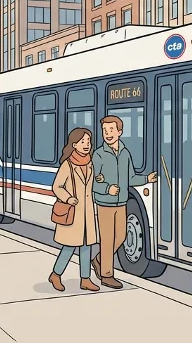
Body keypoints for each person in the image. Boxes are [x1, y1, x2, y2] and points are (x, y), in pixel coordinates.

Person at [91, 115, 157, 289]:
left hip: (121, 203)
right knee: (107, 239)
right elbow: (92, 182)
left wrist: (146, 179)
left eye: (111, 130)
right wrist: (107, 188)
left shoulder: (125, 153)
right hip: (105, 203)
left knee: (121, 236)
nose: (108, 134)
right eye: (105, 131)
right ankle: (106, 275)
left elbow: (130, 177)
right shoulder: (98, 154)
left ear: (119, 132)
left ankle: (98, 260)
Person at [48, 127, 100, 293]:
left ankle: (85, 279)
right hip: (73, 213)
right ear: (74, 144)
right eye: (82, 141)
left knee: (86, 246)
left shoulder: (90, 164)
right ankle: (56, 274)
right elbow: (57, 186)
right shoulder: (68, 164)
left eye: (88, 141)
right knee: (69, 247)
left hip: (87, 214)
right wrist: (68, 198)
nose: (86, 145)